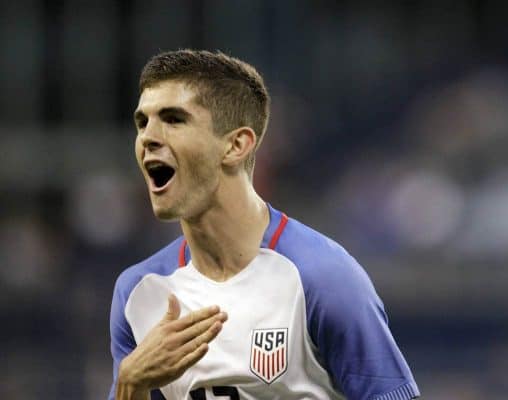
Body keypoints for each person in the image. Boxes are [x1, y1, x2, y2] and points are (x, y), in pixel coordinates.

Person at [109, 49, 419, 400]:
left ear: (236, 145)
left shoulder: (323, 277)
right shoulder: (138, 292)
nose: (148, 136)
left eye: (174, 119)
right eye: (142, 122)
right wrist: (130, 384)